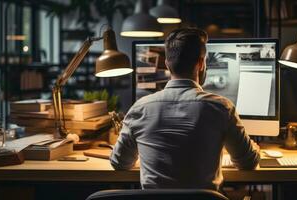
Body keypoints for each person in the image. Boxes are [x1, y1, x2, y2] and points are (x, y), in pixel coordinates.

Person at [110, 28, 260, 191]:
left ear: (167, 64)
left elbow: (119, 163)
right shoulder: (222, 108)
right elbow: (248, 163)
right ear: (201, 63)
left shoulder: (140, 108)